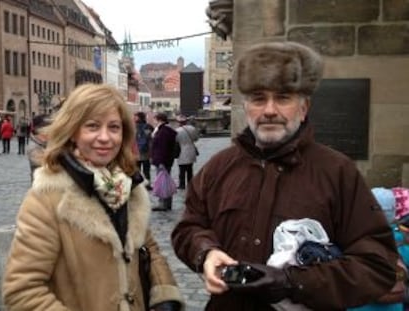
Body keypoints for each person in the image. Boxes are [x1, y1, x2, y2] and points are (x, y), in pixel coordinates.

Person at [171, 41, 398, 310]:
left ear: (304, 108)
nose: (269, 110)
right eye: (258, 98)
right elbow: (188, 228)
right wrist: (206, 252)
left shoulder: (338, 173)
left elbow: (377, 264)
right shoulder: (220, 167)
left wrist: (293, 282)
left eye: (283, 98)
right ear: (246, 107)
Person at [2, 83, 184, 311]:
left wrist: (164, 292)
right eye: (92, 126)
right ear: (73, 132)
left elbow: (148, 247)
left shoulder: (127, 187)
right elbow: (22, 291)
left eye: (114, 127)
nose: (105, 137)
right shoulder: (47, 199)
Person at [150, 112, 177, 211]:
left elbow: (162, 148)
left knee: (162, 182)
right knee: (165, 181)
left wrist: (160, 162)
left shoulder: (163, 132)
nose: (154, 121)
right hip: (166, 160)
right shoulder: (165, 130)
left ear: (159, 120)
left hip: (163, 161)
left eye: (155, 119)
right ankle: (167, 203)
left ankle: (163, 204)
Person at [175, 115, 199, 189]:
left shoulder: (177, 130)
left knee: (182, 169)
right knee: (190, 169)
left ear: (179, 122)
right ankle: (190, 183)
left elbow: (175, 141)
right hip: (191, 149)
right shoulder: (192, 129)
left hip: (181, 150)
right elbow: (196, 139)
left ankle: (182, 184)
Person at [134, 111, 154, 190]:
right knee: (146, 170)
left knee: (136, 170)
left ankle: (138, 186)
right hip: (145, 152)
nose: (134, 118)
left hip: (136, 152)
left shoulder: (133, 127)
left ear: (139, 117)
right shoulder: (148, 126)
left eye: (135, 116)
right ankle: (147, 185)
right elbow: (151, 139)